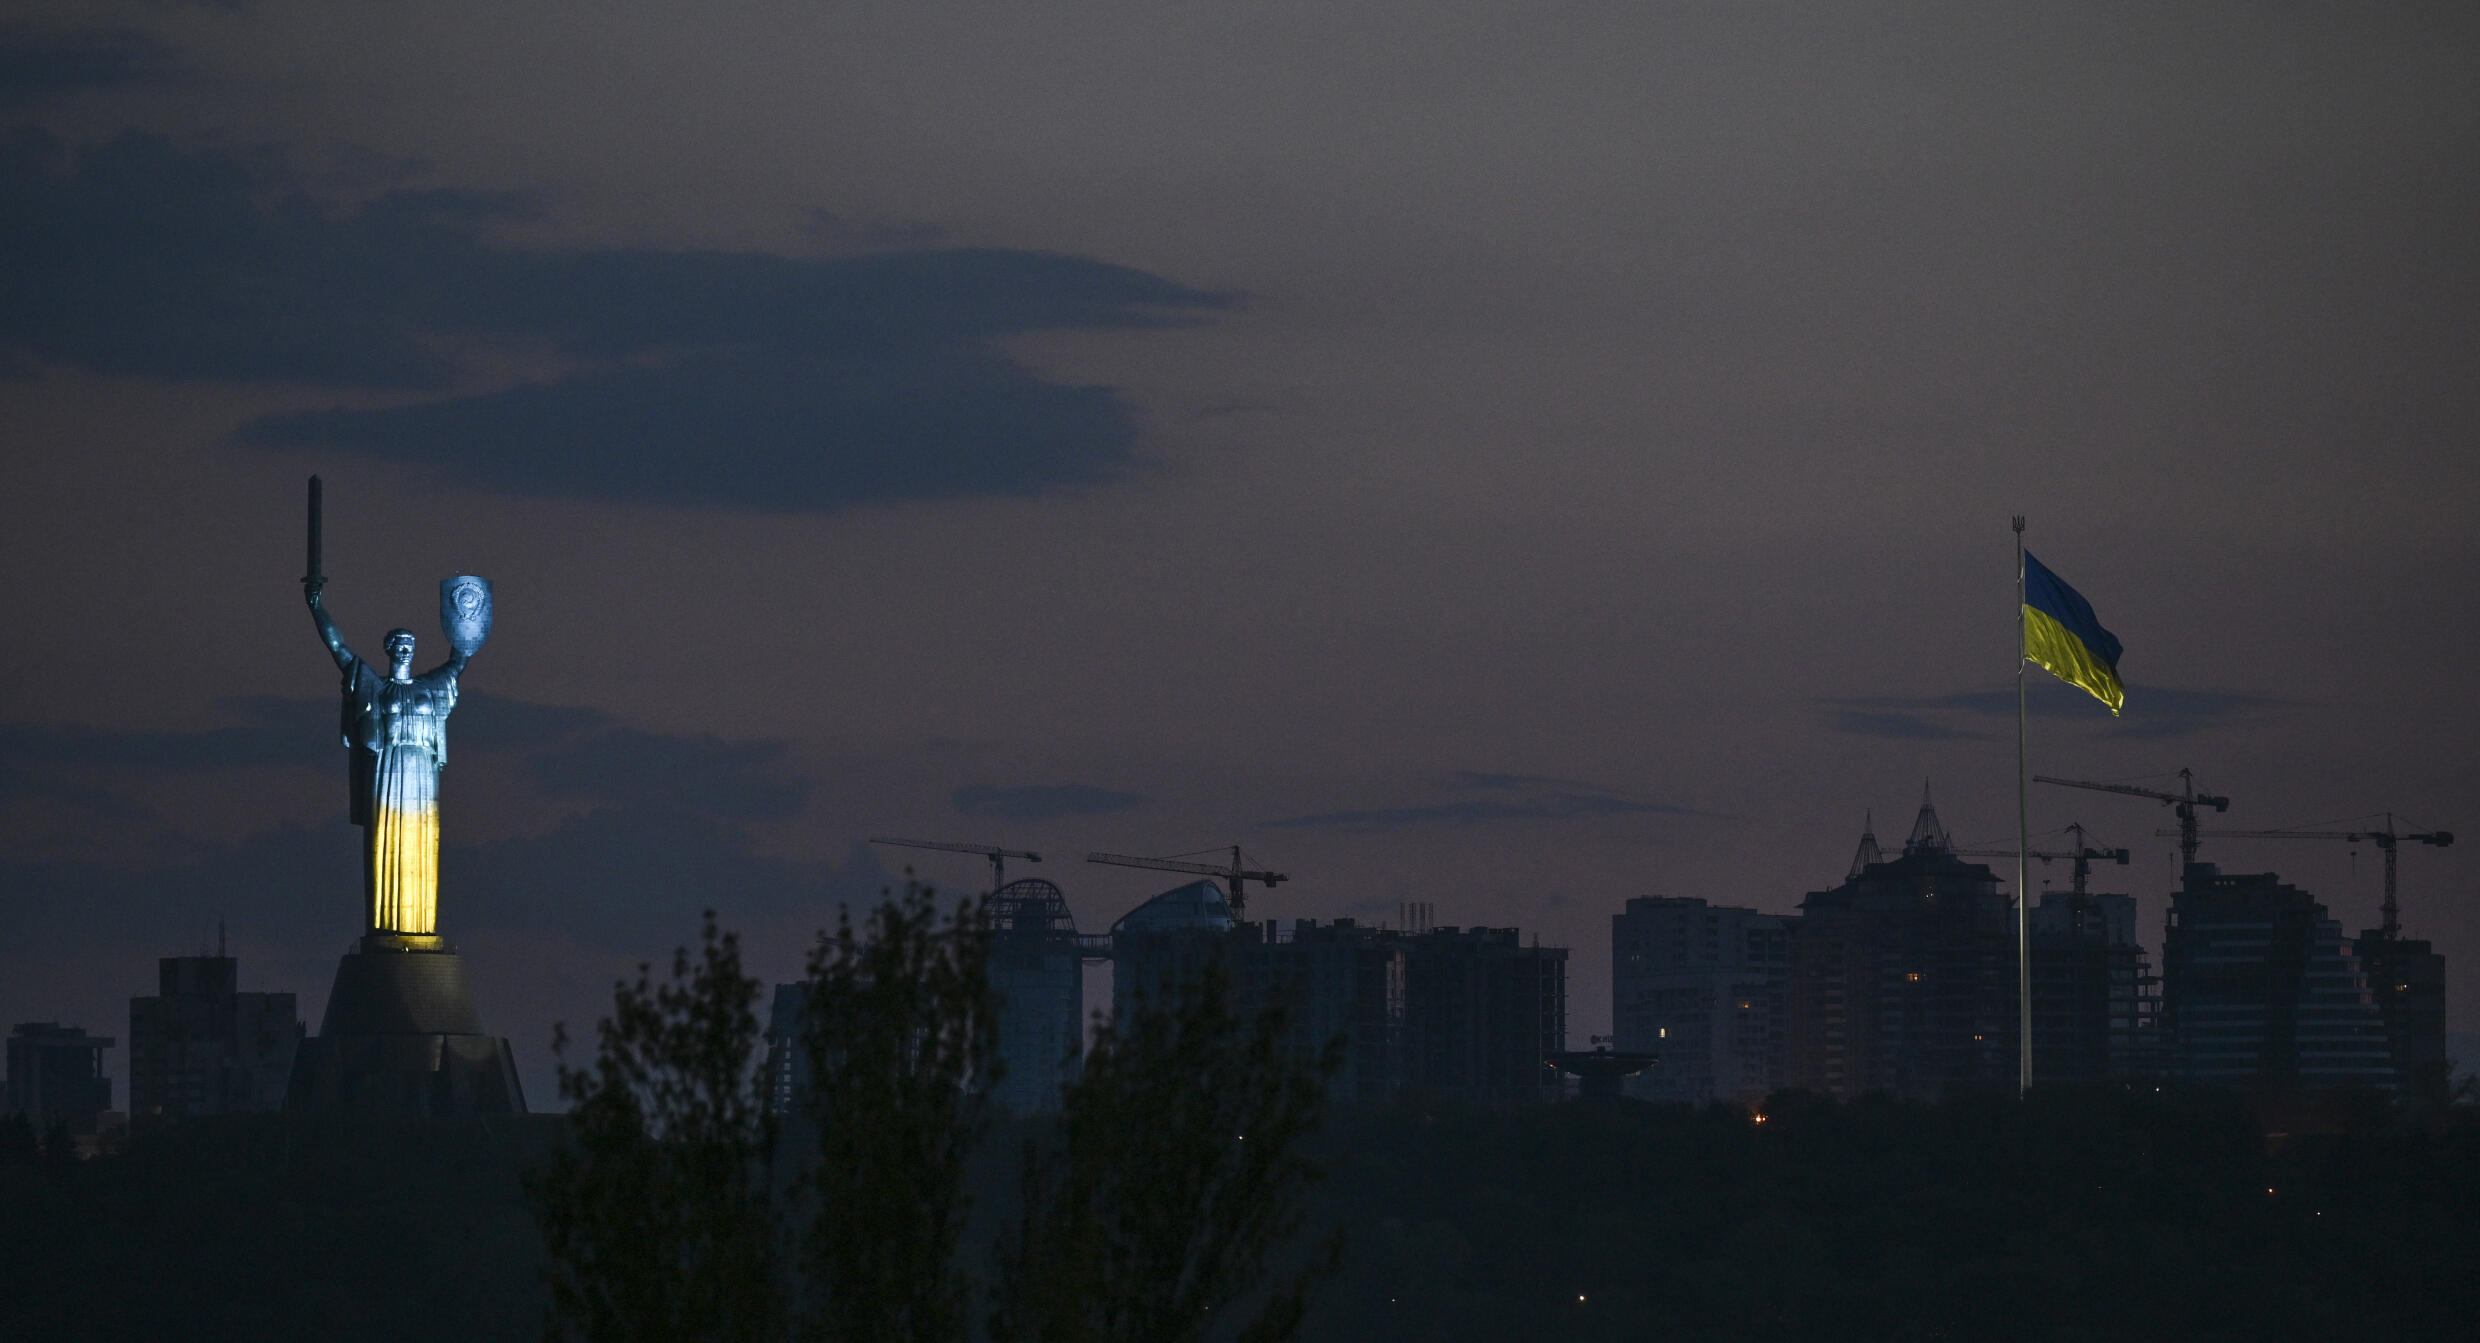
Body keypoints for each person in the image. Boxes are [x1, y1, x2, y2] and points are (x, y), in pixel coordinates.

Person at [305, 576, 469, 936]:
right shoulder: (374, 688)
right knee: (387, 843)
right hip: (388, 769)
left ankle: (420, 929)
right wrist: (317, 608)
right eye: (400, 643)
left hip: (424, 776)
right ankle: (387, 929)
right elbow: (339, 649)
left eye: (411, 643)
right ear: (389, 649)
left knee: (422, 844)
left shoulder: (430, 687)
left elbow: (459, 662)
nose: (406, 648)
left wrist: (466, 624)